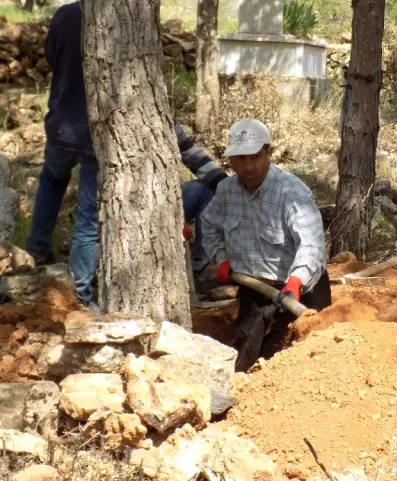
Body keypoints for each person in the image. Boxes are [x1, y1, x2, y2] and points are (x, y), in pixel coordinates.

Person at [25, 1, 226, 307]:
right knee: (88, 222)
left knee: (51, 182)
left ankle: (36, 251)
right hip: (96, 131)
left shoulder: (65, 15)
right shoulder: (128, 18)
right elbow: (182, 145)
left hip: (62, 125)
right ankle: (80, 294)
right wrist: (221, 179)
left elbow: (51, 57)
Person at [202, 119, 332, 372]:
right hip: (254, 289)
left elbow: (312, 244)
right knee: (244, 362)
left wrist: (296, 281)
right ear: (230, 160)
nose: (248, 165)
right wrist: (221, 259)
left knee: (297, 362)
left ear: (269, 153)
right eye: (240, 158)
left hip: (299, 290)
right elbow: (209, 226)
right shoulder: (225, 191)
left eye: (255, 156)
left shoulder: (292, 192)